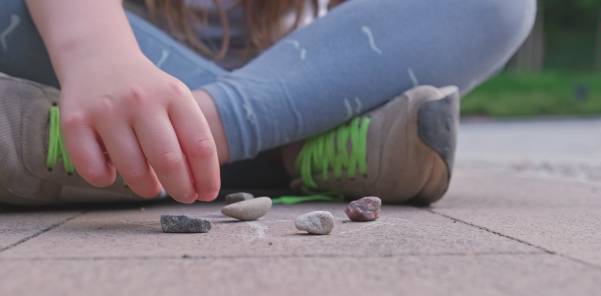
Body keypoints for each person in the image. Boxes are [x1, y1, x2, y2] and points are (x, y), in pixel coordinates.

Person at [0, 0, 536, 206]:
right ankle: (300, 153)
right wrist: (96, 52)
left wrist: (219, 116)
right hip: (109, 59)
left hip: (295, 79)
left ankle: (145, 148)